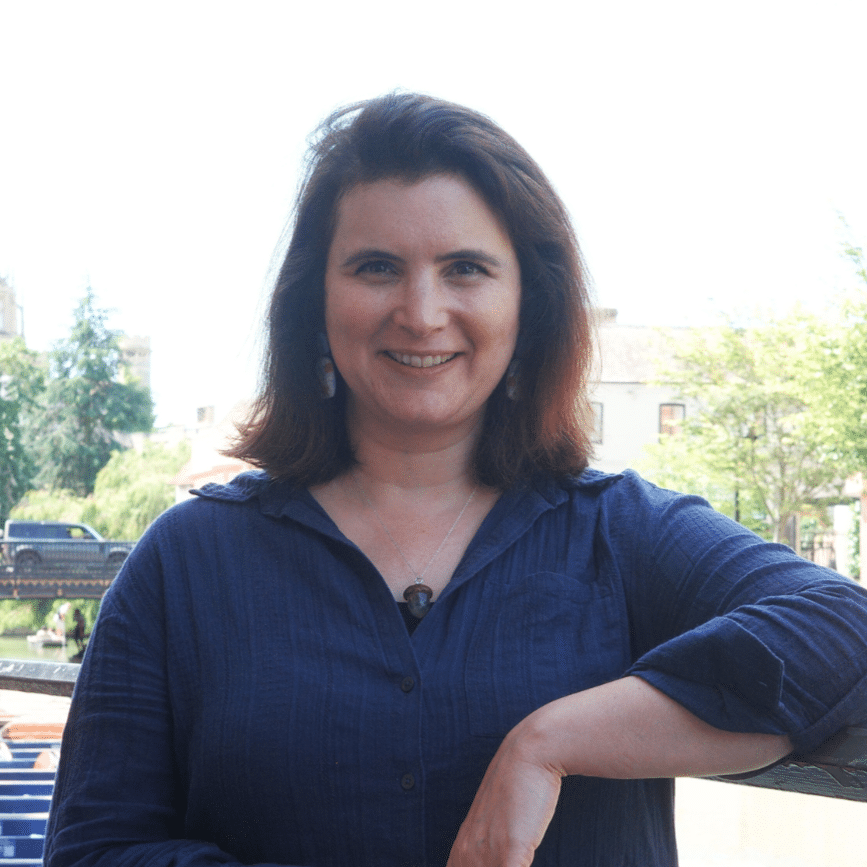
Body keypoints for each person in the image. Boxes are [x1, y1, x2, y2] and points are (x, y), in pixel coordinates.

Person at [45, 94, 867, 867]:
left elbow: (840, 627)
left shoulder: (620, 532)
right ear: (314, 304)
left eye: (465, 267)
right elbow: (93, 848)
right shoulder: (186, 563)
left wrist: (548, 741)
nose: (420, 309)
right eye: (375, 267)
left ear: (527, 307)